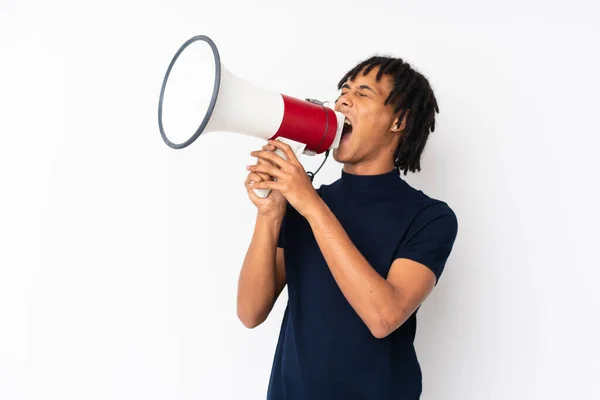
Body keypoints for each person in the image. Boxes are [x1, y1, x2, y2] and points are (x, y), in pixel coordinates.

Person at [237, 55, 459, 399]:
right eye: (343, 90)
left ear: (399, 121)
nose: (343, 100)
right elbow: (250, 312)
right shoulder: (302, 204)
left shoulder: (430, 218)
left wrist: (310, 203)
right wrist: (270, 213)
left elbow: (384, 317)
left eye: (363, 93)